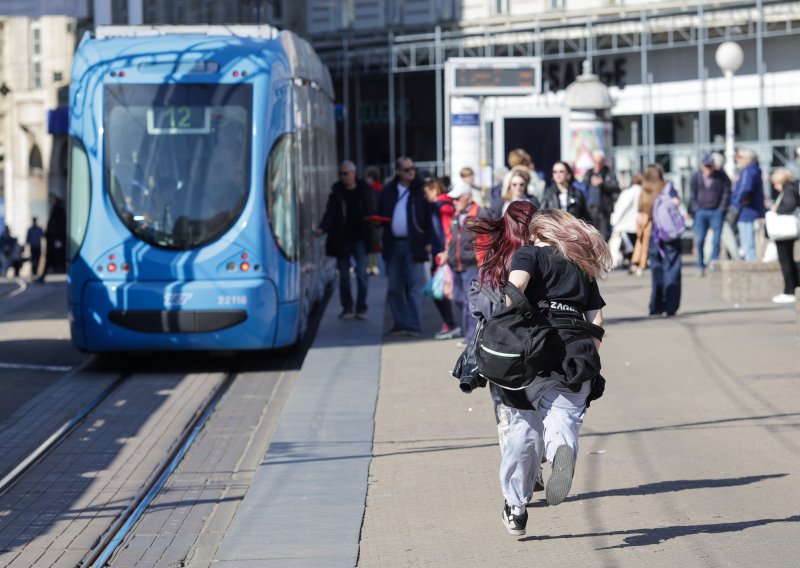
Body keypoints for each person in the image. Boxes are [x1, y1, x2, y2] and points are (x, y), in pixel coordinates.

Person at [477, 207, 610, 536]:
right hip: (576, 348)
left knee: (525, 428)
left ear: (539, 234)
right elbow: (596, 321)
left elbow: (514, 289)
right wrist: (586, 357)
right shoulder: (583, 266)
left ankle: (516, 505)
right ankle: (560, 450)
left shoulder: (529, 254)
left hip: (533, 348)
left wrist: (506, 326)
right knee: (562, 417)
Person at [377, 156, 432, 337]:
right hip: (394, 244)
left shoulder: (420, 191)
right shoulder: (389, 191)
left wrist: (429, 243)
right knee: (394, 286)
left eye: (413, 169)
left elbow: (428, 220)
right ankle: (400, 323)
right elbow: (381, 213)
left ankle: (413, 324)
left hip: (414, 245)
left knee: (415, 286)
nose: (411, 172)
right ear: (399, 172)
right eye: (407, 170)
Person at [316, 160, 376, 319]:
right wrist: (323, 227)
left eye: (346, 174)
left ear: (354, 173)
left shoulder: (365, 191)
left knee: (362, 274)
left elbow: (372, 210)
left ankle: (361, 307)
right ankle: (347, 308)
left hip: (360, 239)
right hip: (342, 240)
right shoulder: (337, 192)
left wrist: (374, 227)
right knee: (343, 276)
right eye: (341, 174)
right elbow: (330, 214)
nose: (343, 177)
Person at [440, 183, 490, 346]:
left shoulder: (480, 213)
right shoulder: (457, 214)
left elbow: (488, 239)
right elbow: (450, 237)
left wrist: (484, 263)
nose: (453, 202)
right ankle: (470, 335)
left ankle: (471, 338)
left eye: (457, 199)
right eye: (453, 199)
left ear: (468, 198)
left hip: (472, 265)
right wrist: (445, 254)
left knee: (470, 304)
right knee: (459, 300)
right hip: (456, 265)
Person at [643, 164, 682, 316]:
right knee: (672, 267)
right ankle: (670, 306)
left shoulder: (645, 190)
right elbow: (677, 203)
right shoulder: (667, 187)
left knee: (656, 269)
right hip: (669, 232)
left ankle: (656, 305)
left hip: (654, 232)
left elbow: (642, 211)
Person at [423, 178, 460, 339]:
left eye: (426, 192)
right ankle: (449, 323)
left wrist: (444, 251)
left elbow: (445, 231)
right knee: (444, 289)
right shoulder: (449, 204)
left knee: (440, 290)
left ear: (433, 190)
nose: (425, 196)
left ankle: (449, 323)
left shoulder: (440, 207)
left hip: (442, 254)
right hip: (445, 252)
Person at [689, 154, 731, 276]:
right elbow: (692, 194)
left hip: (716, 211)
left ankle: (714, 262)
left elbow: (726, 192)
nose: (708, 169)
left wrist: (722, 208)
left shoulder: (721, 176)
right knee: (700, 239)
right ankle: (700, 265)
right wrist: (695, 209)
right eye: (706, 166)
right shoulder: (696, 177)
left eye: (710, 166)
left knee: (716, 240)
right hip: (701, 211)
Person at [768, 168, 799, 304]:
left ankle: (789, 291)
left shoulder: (788, 190)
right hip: (789, 231)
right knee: (788, 261)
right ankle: (791, 288)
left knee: (785, 261)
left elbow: (790, 205)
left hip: (785, 231)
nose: (775, 186)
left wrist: (777, 209)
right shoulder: (793, 188)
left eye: (776, 183)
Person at [730, 148, 767, 261]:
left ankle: (751, 267)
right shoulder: (755, 170)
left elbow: (745, 189)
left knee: (748, 245)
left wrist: (737, 202)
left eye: (740, 157)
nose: (737, 160)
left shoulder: (748, 171)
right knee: (753, 244)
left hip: (747, 212)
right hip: (753, 211)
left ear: (748, 158)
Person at [582, 149, 620, 240]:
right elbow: (583, 188)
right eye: (596, 162)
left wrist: (603, 184)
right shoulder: (589, 173)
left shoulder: (608, 173)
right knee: (590, 237)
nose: (598, 164)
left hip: (603, 211)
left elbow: (616, 188)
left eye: (600, 162)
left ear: (603, 161)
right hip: (590, 211)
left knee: (602, 237)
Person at [609, 174, 642, 269]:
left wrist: (614, 221)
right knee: (636, 245)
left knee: (627, 246)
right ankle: (635, 264)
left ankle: (629, 262)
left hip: (626, 225)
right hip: (638, 225)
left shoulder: (628, 192)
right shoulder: (643, 192)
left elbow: (621, 207)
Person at [37, 194, 67, 283]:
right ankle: (42, 277)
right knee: (49, 258)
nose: (50, 201)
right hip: (52, 239)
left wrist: (58, 239)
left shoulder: (59, 210)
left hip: (55, 239)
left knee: (54, 257)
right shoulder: (56, 209)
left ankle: (43, 276)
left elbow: (59, 226)